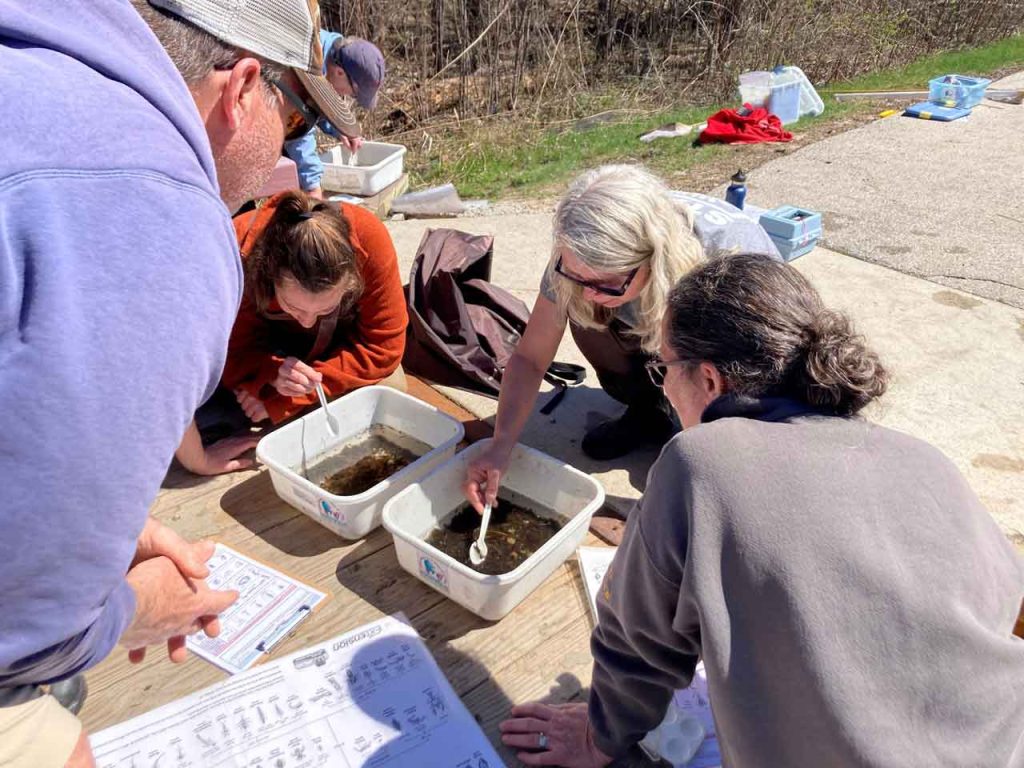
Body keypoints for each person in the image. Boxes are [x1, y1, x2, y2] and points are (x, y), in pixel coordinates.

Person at [0, 0, 359, 765]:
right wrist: (130, 609)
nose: (283, 158)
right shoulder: (164, 211)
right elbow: (24, 630)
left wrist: (112, 533)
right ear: (243, 88)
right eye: (292, 124)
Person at [499, 254, 1024, 767]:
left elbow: (635, 642)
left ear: (709, 381)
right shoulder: (925, 460)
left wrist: (600, 738)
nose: (662, 387)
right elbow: (1002, 600)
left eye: (663, 368)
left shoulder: (700, 461)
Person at [463, 164, 779, 509]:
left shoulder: (725, 270)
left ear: (653, 259)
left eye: (606, 282)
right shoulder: (578, 257)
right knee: (583, 313)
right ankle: (649, 411)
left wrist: (696, 463)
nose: (589, 292)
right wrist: (501, 443)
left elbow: (761, 386)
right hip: (663, 316)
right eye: (579, 276)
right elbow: (530, 357)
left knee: (696, 467)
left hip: (736, 356)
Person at [174, 190, 407, 471]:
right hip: (269, 346)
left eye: (324, 310)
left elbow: (384, 347)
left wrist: (287, 398)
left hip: (336, 347)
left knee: (393, 391)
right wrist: (266, 374)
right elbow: (222, 350)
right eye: (293, 308)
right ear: (268, 272)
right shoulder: (236, 254)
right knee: (215, 417)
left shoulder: (370, 240)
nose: (307, 322)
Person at [284, 32, 386, 198]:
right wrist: (312, 186)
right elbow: (298, 128)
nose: (348, 97)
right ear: (339, 72)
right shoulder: (305, 63)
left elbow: (320, 101)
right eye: (353, 94)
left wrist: (340, 128)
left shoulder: (335, 51)